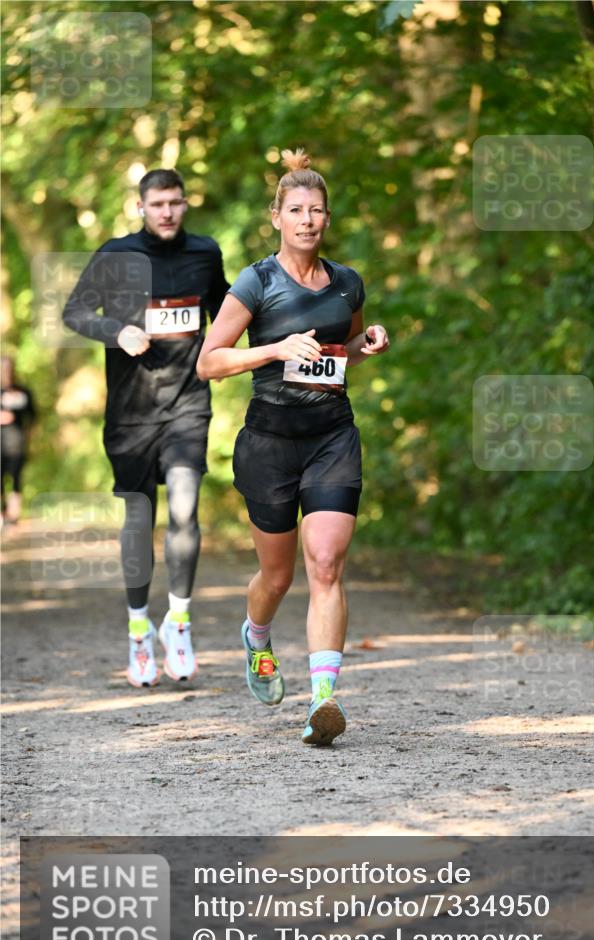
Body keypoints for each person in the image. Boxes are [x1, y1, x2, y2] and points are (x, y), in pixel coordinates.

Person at [197, 149, 389, 746]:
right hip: (270, 444)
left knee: (326, 564)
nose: (308, 219)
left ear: (327, 219)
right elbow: (209, 361)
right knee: (276, 578)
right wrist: (273, 350)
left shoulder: (348, 282)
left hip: (332, 436)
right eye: (296, 210)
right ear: (277, 216)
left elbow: (342, 349)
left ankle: (323, 703)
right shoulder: (257, 281)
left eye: (318, 210)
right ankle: (256, 637)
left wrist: (368, 343)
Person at [63, 168, 229, 688]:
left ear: (185, 205)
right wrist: (117, 330)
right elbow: (73, 312)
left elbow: (227, 310)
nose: (167, 212)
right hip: (130, 414)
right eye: (157, 204)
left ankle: (178, 622)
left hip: (187, 405)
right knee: (139, 518)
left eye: (175, 203)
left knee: (184, 506)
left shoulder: (205, 253)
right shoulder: (116, 256)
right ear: (141, 207)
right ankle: (139, 631)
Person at [1, 357, 36, 526]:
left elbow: (33, 416)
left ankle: (14, 516)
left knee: (16, 478)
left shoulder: (23, 392)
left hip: (17, 444)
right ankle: (2, 515)